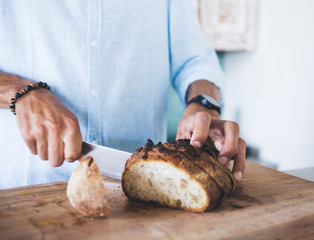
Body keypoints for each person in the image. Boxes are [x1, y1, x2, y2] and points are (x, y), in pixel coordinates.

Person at [0, 0, 245, 189]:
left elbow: (195, 61)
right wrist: (21, 93)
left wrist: (204, 104)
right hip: (24, 188)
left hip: (147, 190)